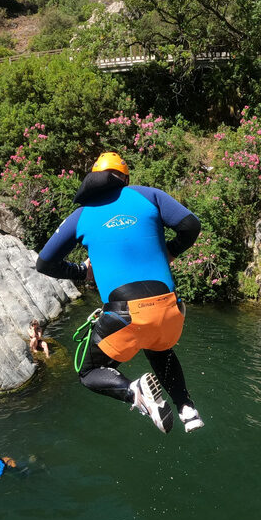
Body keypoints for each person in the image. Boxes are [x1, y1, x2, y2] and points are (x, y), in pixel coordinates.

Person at [36, 152, 204, 434]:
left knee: (89, 373)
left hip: (124, 316)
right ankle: (187, 409)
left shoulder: (82, 215)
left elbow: (44, 263)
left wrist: (80, 271)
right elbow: (191, 225)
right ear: (125, 178)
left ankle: (133, 390)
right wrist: (171, 251)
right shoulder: (149, 195)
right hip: (170, 310)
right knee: (159, 349)